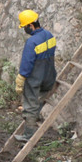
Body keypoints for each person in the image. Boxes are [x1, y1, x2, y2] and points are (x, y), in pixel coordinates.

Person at [14, 10, 57, 142]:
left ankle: (28, 135)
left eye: (24, 27)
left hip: (35, 79)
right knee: (38, 101)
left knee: (30, 105)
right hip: (49, 77)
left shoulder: (32, 42)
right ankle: (33, 121)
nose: (25, 30)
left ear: (30, 26)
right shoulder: (49, 35)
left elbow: (26, 65)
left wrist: (20, 79)